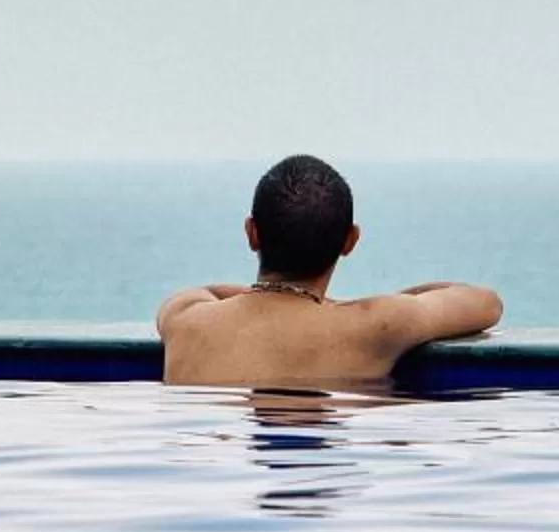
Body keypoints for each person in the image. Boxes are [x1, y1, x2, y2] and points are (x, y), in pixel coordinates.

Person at [156, 155, 504, 389]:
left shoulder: (185, 320)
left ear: (252, 233)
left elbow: (207, 292)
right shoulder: (378, 323)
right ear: (350, 241)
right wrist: (341, 308)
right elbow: (485, 304)